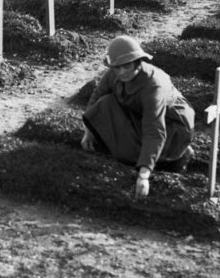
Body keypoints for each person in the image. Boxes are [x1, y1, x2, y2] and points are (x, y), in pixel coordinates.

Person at [81, 35, 195, 198]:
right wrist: (88, 131)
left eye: (126, 66)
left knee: (127, 155)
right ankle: (157, 155)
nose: (121, 72)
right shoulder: (113, 73)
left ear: (137, 61)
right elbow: (97, 97)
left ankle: (176, 156)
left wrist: (143, 176)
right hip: (139, 113)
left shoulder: (152, 86)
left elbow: (154, 130)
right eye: (116, 67)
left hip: (173, 125)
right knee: (105, 104)